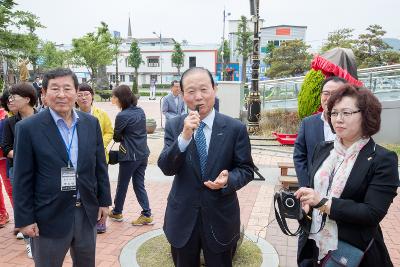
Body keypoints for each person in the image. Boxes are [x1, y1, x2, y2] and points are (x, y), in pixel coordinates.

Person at [13, 68, 112, 267]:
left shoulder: (90, 123)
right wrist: (24, 219)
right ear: (43, 94)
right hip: (48, 216)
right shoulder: (28, 128)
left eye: (67, 88)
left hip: (86, 211)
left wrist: (104, 201)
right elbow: (22, 177)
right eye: (55, 89)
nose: (61, 94)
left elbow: (100, 166)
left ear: (76, 92)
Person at [158, 67, 254, 267]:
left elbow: (246, 169)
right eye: (191, 91)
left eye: (204, 89)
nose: (198, 97)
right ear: (183, 94)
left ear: (214, 89)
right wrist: (184, 137)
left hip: (220, 217)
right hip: (182, 217)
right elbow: (166, 167)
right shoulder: (175, 125)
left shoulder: (235, 128)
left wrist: (229, 180)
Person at [295, 84, 399, 266]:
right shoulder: (324, 149)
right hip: (313, 245)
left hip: (352, 252)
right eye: (334, 113)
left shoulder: (382, 159)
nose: (338, 119)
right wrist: (307, 204)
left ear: (366, 115)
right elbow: (315, 186)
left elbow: (372, 213)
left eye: (346, 113)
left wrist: (323, 203)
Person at [108, 85, 153, 225]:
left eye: (114, 97)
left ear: (121, 98)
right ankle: (147, 213)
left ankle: (117, 212)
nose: (113, 99)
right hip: (143, 154)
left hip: (130, 156)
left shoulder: (122, 115)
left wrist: (123, 138)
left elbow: (116, 136)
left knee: (122, 184)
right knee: (139, 184)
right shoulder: (140, 111)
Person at [1, 83, 37, 258]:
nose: (10, 99)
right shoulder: (9, 122)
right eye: (9, 97)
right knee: (24, 206)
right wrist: (26, 155)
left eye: (14, 96)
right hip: (18, 169)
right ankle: (29, 243)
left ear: (28, 99)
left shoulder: (44, 118)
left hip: (42, 170)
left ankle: (47, 240)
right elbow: (6, 147)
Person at [293, 76, 347, 187]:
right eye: (326, 93)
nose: (329, 98)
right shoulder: (308, 123)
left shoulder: (353, 125)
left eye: (336, 93)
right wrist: (305, 186)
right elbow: (299, 156)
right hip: (313, 189)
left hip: (343, 191)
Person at [76, 83, 113, 233]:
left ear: (92, 96)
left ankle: (102, 220)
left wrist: (99, 145)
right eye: (80, 95)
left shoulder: (101, 114)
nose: (84, 97)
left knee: (100, 186)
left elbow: (109, 131)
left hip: (100, 157)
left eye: (87, 94)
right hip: (81, 160)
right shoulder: (73, 115)